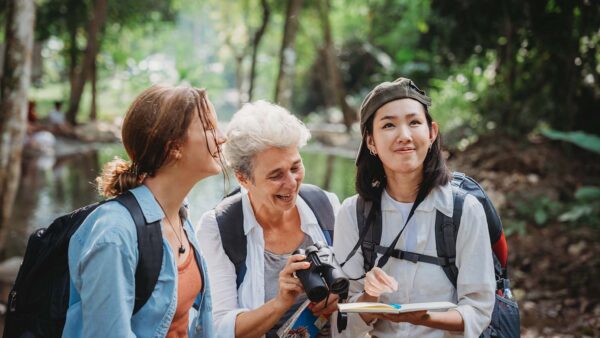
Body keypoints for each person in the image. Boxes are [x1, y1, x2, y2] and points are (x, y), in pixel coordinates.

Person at [334, 78, 495, 337]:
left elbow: (479, 311)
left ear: (431, 133)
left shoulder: (463, 211)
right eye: (388, 125)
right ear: (371, 142)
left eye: (414, 122)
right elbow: (341, 327)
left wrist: (428, 318)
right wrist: (370, 296)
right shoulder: (353, 214)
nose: (404, 136)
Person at [63, 84, 226, 337]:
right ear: (174, 147)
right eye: (208, 128)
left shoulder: (179, 215)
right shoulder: (115, 234)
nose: (221, 137)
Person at [198, 101, 341, 338]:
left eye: (295, 167)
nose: (292, 183)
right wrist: (280, 302)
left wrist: (339, 296)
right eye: (276, 175)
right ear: (243, 179)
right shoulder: (218, 227)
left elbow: (357, 287)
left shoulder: (326, 205)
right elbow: (220, 329)